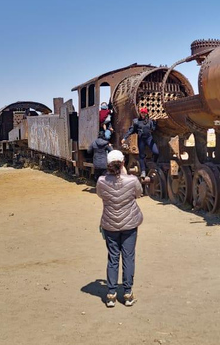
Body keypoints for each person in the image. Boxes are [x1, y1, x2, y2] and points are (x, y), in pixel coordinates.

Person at [96, 150, 143, 308]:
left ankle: (111, 295)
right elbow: (139, 193)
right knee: (128, 257)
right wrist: (124, 173)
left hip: (110, 225)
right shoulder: (132, 180)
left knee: (113, 258)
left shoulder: (101, 181)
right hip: (130, 224)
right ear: (123, 163)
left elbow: (100, 195)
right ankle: (128, 294)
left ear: (108, 164)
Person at [122, 108, 158, 180]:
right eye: (142, 113)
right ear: (140, 113)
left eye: (144, 113)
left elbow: (153, 129)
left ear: (146, 113)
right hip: (141, 139)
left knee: (156, 152)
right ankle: (143, 171)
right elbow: (131, 130)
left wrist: (155, 123)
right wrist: (124, 138)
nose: (143, 114)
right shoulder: (136, 121)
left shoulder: (150, 121)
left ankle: (153, 163)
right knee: (141, 156)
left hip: (149, 138)